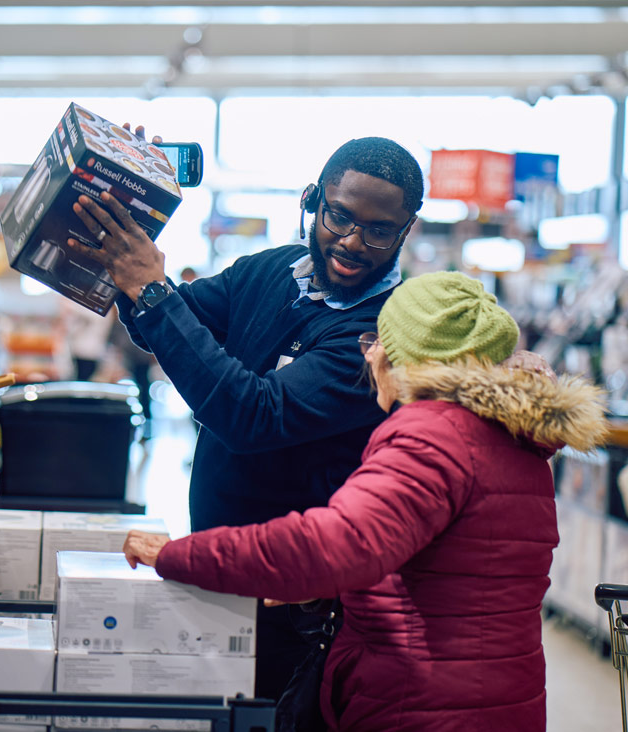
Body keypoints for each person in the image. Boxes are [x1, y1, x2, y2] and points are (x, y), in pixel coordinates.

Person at [123, 271, 609, 731]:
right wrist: (333, 591)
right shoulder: (508, 438)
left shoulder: (433, 437)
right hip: (487, 702)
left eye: (379, 341)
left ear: (409, 361)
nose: (370, 353)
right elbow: (448, 572)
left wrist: (178, 555)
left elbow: (334, 547)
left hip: (419, 709)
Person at [68, 134, 424, 700]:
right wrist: (131, 212)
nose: (352, 242)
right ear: (312, 200)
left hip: (298, 605)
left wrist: (151, 289)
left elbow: (253, 417)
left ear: (406, 231)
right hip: (223, 569)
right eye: (339, 217)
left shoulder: (380, 335)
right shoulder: (273, 270)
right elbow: (170, 321)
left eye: (379, 230)